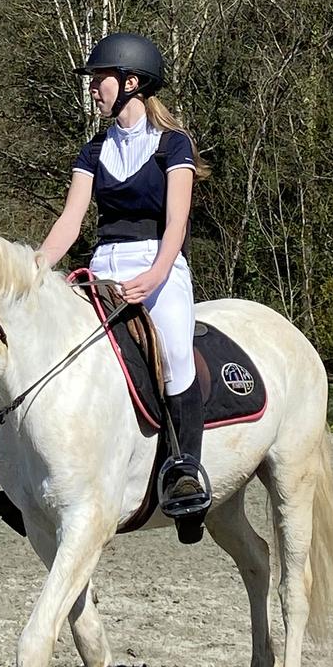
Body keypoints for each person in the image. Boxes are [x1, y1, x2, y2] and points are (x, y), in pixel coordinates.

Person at [39, 32, 212, 519]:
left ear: (131, 82)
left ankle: (184, 469)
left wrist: (156, 276)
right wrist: (32, 267)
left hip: (158, 264)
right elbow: (70, 221)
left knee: (175, 353)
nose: (93, 88)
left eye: (101, 79)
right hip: (101, 268)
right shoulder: (93, 150)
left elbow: (177, 222)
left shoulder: (172, 145)